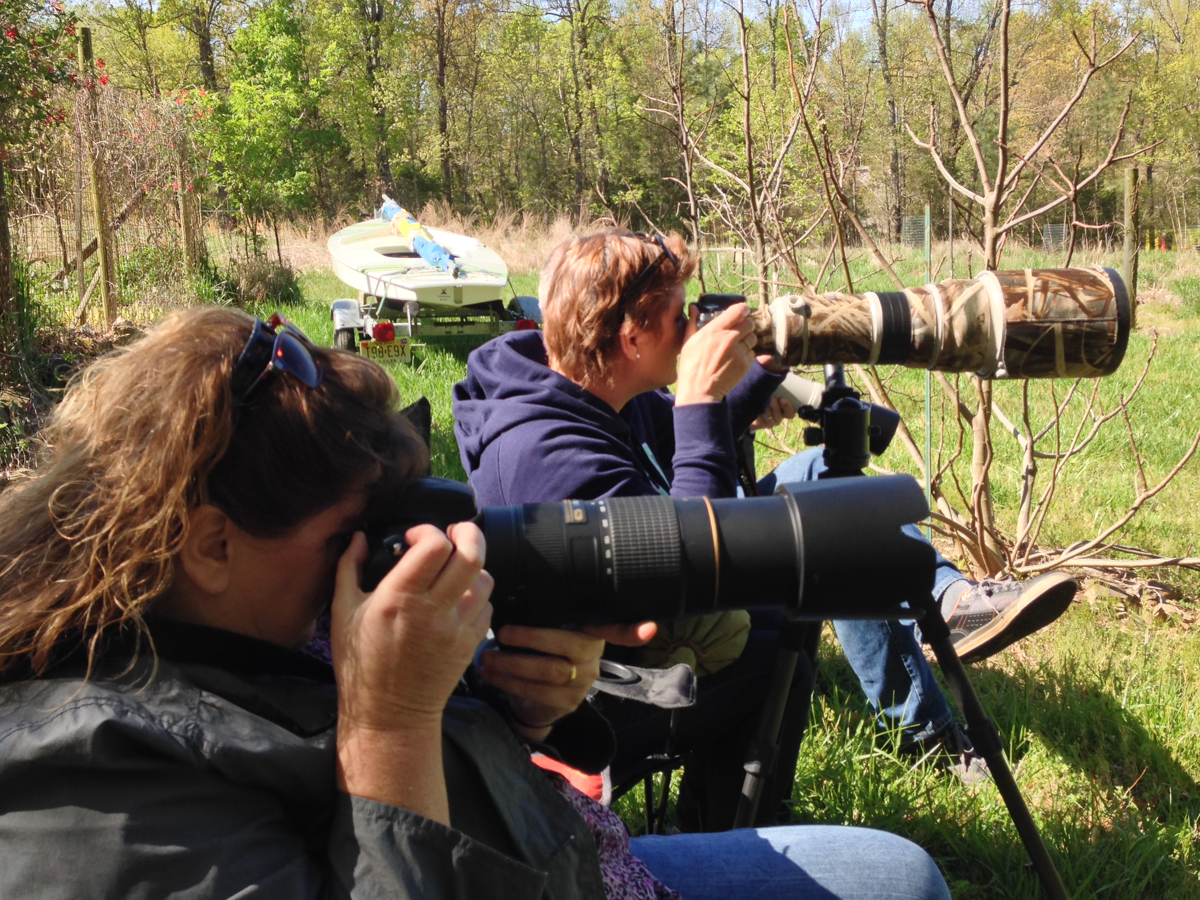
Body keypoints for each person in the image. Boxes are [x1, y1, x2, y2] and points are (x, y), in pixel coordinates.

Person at [0, 307, 952, 900]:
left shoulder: (246, 622)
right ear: (211, 543)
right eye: (349, 536)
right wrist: (391, 723)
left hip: (551, 856)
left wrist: (514, 709)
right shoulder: (88, 784)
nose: (373, 559)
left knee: (897, 872)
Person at [452, 230, 1078, 809]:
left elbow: (678, 446)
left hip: (644, 602)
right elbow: (681, 572)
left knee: (813, 475)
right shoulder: (542, 451)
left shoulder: (588, 388)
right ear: (631, 338)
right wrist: (697, 397)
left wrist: (764, 367)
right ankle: (719, 835)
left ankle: (948, 600)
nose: (690, 330)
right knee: (780, 650)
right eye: (678, 318)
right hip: (586, 694)